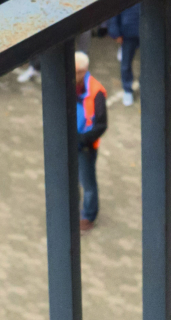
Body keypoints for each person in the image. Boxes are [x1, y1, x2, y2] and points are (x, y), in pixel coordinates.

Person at [72, 51, 106, 232]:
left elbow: (101, 125)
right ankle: (73, 209)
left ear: (82, 71)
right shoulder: (70, 84)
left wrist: (82, 140)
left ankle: (88, 216)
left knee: (87, 182)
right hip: (70, 141)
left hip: (85, 146)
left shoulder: (96, 91)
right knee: (71, 177)